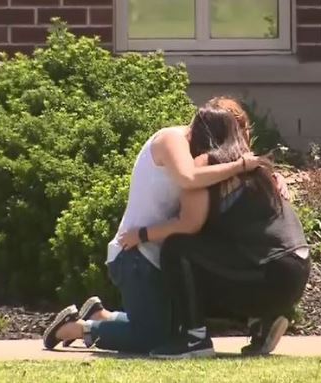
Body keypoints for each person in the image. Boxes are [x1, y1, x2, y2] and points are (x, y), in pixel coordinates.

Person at [42, 103, 262, 353]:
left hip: (159, 253)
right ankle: (77, 328)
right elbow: (187, 177)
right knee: (150, 339)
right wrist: (241, 166)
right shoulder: (172, 139)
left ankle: (101, 315)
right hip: (134, 253)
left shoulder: (201, 155)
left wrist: (270, 177)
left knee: (171, 334)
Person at [118, 99, 311, 359]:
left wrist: (141, 234)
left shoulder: (206, 163)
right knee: (209, 251)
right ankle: (260, 323)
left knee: (178, 249)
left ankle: (194, 339)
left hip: (269, 271)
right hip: (295, 272)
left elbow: (189, 224)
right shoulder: (259, 169)